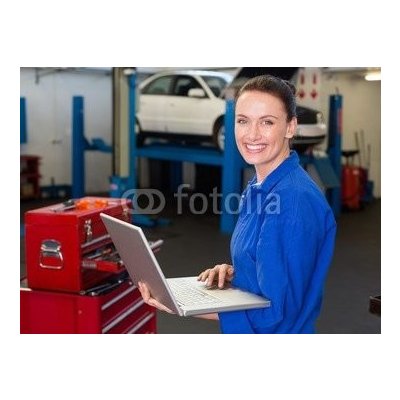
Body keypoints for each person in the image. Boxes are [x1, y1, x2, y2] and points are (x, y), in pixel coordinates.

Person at [138, 74, 337, 333]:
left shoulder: (292, 201)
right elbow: (272, 268)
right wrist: (238, 274)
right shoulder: (259, 187)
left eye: (267, 122)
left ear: (290, 127)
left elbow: (276, 313)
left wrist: (178, 303)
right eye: (243, 121)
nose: (252, 134)